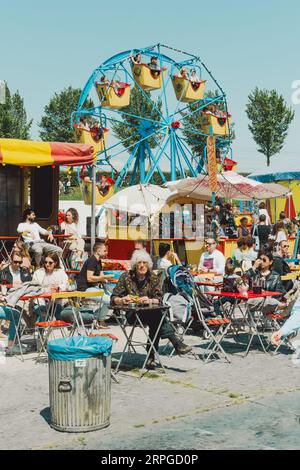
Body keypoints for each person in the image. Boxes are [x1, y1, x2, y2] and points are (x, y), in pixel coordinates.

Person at [111, 249, 192, 369]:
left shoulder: (152, 277)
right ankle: (175, 344)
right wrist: (122, 299)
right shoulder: (126, 276)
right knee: (157, 317)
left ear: (148, 264)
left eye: (144, 263)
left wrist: (150, 300)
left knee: (155, 319)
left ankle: (151, 357)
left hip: (150, 312)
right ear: (134, 265)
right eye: (139, 263)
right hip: (132, 314)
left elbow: (159, 298)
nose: (142, 266)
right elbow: (113, 298)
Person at [76, 241, 115, 328]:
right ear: (98, 251)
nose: (106, 252)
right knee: (110, 300)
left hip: (92, 287)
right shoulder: (92, 260)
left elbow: (101, 276)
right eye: (104, 251)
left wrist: (108, 279)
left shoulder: (98, 261)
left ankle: (97, 318)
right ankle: (99, 319)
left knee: (112, 298)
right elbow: (89, 278)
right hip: (84, 289)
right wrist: (105, 277)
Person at [245, 250, 287, 316]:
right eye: (260, 259)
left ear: (270, 262)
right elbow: (244, 279)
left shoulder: (275, 276)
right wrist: (253, 267)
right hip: (254, 301)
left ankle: (266, 317)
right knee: (254, 300)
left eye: (264, 260)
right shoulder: (255, 273)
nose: (261, 262)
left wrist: (266, 295)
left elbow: (278, 294)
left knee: (265, 300)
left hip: (269, 303)